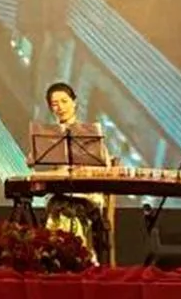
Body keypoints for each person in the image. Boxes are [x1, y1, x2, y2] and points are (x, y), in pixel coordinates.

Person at [39, 82, 110, 264]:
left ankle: (81, 259)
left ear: (74, 102)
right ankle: (56, 259)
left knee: (69, 209)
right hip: (62, 192)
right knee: (58, 205)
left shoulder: (89, 133)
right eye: (55, 104)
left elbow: (105, 165)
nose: (60, 107)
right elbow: (36, 159)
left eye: (64, 101)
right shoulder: (49, 135)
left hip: (87, 193)